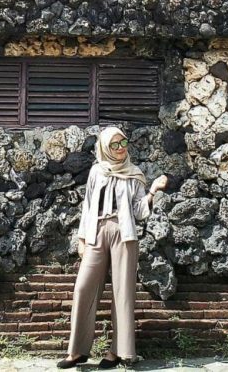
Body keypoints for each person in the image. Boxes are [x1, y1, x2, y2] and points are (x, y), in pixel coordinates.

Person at [57, 126, 168, 369]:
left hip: (124, 234)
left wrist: (152, 191)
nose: (120, 148)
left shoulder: (134, 173)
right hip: (96, 232)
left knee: (123, 293)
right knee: (84, 287)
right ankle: (76, 351)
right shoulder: (97, 171)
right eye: (114, 144)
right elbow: (87, 206)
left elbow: (139, 212)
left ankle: (117, 351)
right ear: (105, 147)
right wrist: (82, 238)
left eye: (123, 142)